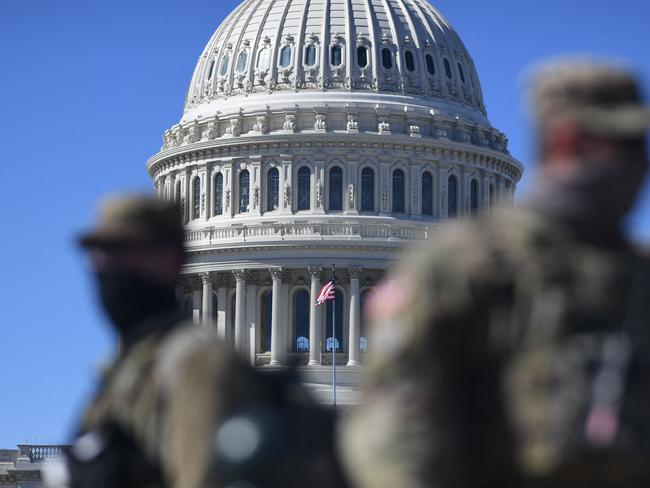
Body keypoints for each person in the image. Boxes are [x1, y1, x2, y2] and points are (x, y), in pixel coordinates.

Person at [341, 59, 650, 487]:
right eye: (621, 145)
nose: (638, 165)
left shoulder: (636, 274)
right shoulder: (461, 266)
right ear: (565, 143)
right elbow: (392, 436)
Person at [43, 195, 347, 488]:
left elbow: (203, 477)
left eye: (121, 252)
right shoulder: (127, 368)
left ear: (168, 259)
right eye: (98, 254)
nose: (103, 267)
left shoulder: (196, 362)